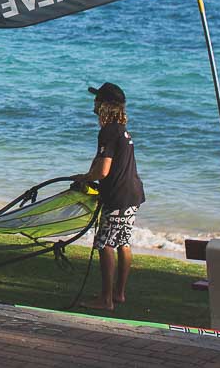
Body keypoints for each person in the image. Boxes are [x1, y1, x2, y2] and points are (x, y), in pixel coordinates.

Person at [74, 82, 145, 311]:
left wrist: (86, 178)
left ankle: (106, 300)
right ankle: (119, 293)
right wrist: (87, 174)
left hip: (117, 196)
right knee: (123, 242)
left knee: (105, 244)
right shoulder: (122, 130)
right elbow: (102, 163)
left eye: (97, 100)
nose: (93, 103)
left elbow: (103, 170)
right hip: (132, 194)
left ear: (105, 105)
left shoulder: (108, 131)